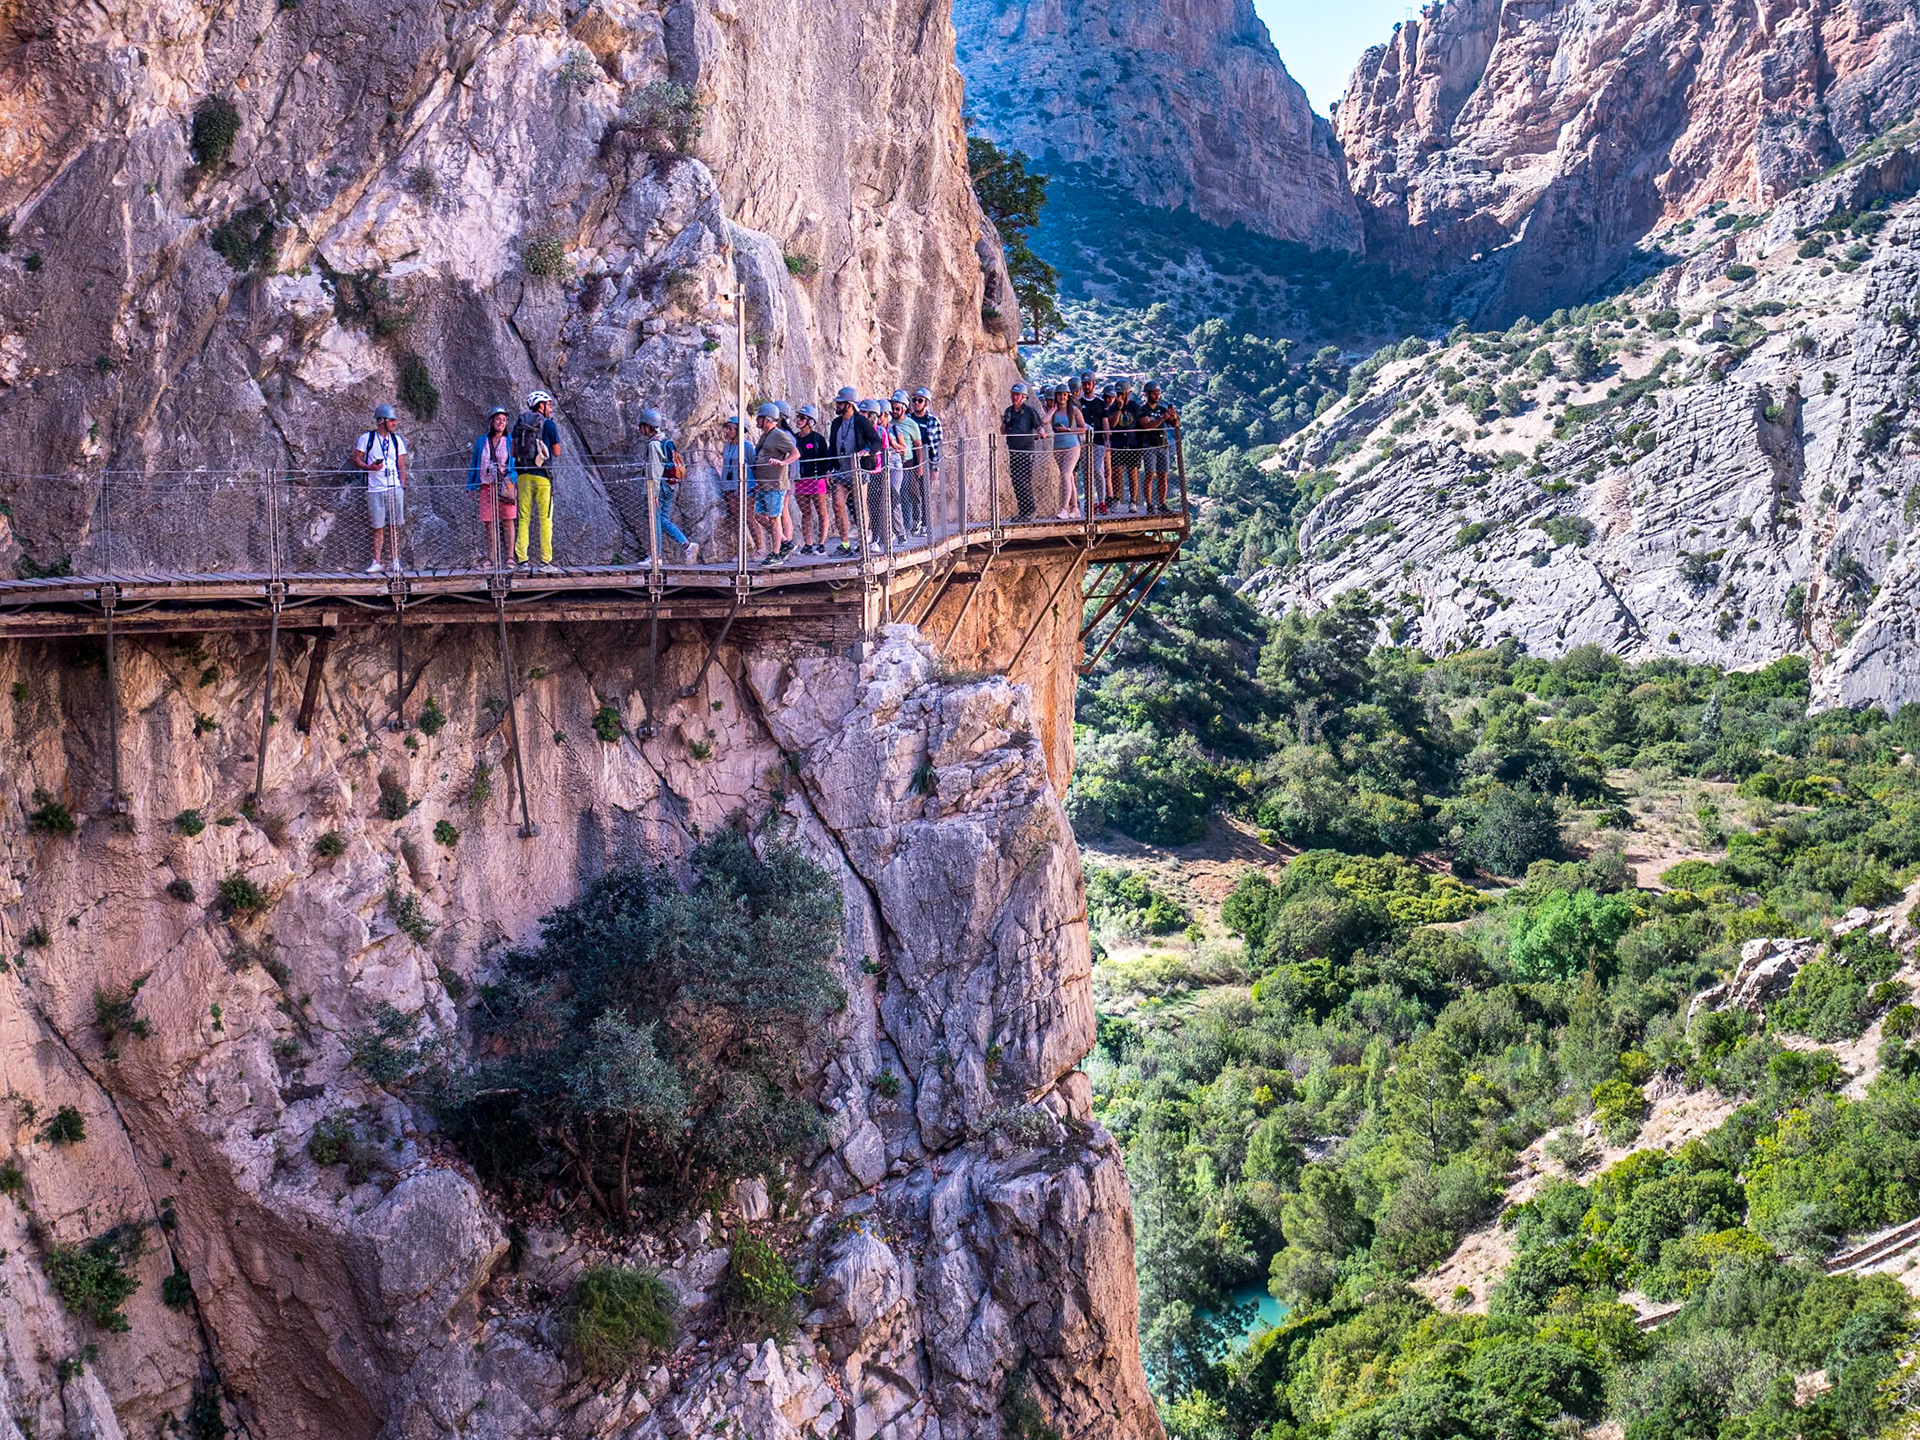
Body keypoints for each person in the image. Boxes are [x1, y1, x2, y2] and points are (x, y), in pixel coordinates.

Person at [355, 403, 409, 573]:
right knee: (378, 525)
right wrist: (369, 467)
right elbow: (356, 459)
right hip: (375, 488)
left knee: (394, 525)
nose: (395, 423)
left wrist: (402, 485)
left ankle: (395, 560)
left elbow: (401, 465)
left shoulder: (396, 440)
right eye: (392, 420)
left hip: (394, 486)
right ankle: (377, 561)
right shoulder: (367, 438)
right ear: (382, 421)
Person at [637, 408, 696, 564]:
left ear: (648, 426)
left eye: (642, 425)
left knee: (655, 520)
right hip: (670, 486)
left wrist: (653, 494)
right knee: (662, 519)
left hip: (659, 488)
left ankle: (656, 558)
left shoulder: (653, 445)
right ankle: (687, 545)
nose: (640, 429)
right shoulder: (665, 441)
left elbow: (655, 471)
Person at [512, 389, 562, 572]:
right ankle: (545, 562)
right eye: (548, 404)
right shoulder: (549, 425)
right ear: (540, 405)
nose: (550, 407)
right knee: (545, 518)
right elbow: (556, 452)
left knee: (524, 518)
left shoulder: (520, 423)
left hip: (523, 476)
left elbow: (512, 451)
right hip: (542, 477)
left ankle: (522, 561)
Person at [828, 388, 881, 556]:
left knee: (860, 506)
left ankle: (863, 540)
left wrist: (866, 450)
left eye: (840, 403)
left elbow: (876, 441)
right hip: (841, 470)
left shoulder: (861, 421)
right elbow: (831, 446)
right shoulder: (836, 423)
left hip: (859, 470)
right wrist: (829, 468)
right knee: (837, 503)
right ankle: (844, 544)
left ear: (849, 405)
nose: (837, 405)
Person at [466, 406, 517, 568]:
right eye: (498, 419)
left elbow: (516, 462)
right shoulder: (482, 441)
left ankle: (510, 557)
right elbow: (475, 462)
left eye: (504, 420)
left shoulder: (510, 440)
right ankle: (492, 558)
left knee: (508, 520)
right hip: (486, 485)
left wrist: (512, 478)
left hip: (505, 485)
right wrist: (471, 485)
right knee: (489, 522)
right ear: (492, 421)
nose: (501, 422)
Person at [751, 402, 799, 562]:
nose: (756, 420)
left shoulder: (779, 435)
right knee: (759, 516)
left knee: (774, 518)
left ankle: (775, 553)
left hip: (775, 485)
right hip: (764, 484)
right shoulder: (765, 435)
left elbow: (795, 453)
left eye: (759, 418)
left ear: (767, 419)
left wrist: (783, 463)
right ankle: (785, 542)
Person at [791, 404, 832, 555]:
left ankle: (821, 543)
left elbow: (826, 457)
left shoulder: (818, 439)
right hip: (801, 480)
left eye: (802, 418)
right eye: (798, 417)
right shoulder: (794, 439)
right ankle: (808, 543)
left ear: (810, 421)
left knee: (821, 511)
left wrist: (827, 472)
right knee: (805, 512)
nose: (798, 420)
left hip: (816, 479)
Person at [1001, 380, 1044, 521]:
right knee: (1015, 481)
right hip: (1013, 450)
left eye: (1018, 395)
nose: (1015, 398)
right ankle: (1023, 512)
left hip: (1026, 451)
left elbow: (1038, 426)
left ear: (1024, 397)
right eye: (1013, 395)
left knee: (1023, 479)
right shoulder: (1008, 411)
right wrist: (1003, 422)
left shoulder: (1030, 412)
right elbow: (1003, 432)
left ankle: (1030, 510)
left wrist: (1041, 432)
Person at [1136, 381, 1179, 512]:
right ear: (1147, 394)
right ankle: (1149, 504)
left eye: (1158, 393)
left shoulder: (1162, 409)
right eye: (1154, 393)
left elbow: (1175, 424)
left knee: (1163, 475)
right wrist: (1162, 418)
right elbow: (1147, 426)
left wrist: (1173, 415)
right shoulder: (1142, 410)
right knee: (1150, 474)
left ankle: (1162, 504)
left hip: (1162, 445)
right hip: (1149, 446)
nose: (1157, 396)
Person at [720, 415, 756, 560]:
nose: (727, 431)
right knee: (736, 519)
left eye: (730, 429)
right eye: (727, 428)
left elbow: (754, 465)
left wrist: (752, 484)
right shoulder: (727, 446)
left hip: (744, 487)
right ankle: (740, 550)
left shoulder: (746, 446)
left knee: (749, 518)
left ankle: (759, 548)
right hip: (729, 486)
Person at [860, 399, 894, 552]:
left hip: (877, 471)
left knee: (875, 506)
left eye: (864, 413)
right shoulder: (859, 430)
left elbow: (885, 451)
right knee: (861, 505)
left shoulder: (880, 431)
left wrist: (886, 471)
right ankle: (865, 534)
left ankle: (877, 538)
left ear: (872, 415)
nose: (860, 415)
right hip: (861, 471)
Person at [887, 391, 922, 540]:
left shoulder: (911, 424)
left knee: (910, 492)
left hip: (907, 462)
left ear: (904, 409)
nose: (894, 412)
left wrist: (919, 465)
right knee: (898, 495)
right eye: (892, 409)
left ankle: (914, 520)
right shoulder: (889, 424)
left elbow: (918, 445)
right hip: (892, 463)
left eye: (897, 409)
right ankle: (903, 527)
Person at [1047, 384, 1085, 518]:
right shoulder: (1055, 411)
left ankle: (1064, 508)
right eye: (1059, 394)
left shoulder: (1074, 410)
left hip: (1072, 446)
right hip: (1058, 447)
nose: (1062, 397)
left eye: (1064, 394)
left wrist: (1068, 430)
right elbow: (1045, 421)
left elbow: (1083, 428)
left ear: (1068, 396)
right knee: (1068, 477)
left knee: (1065, 475)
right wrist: (1052, 410)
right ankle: (1075, 508)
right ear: (1056, 396)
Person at [908, 387, 942, 534]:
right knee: (912, 491)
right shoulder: (908, 419)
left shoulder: (933, 421)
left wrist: (936, 468)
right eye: (914, 400)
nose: (916, 403)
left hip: (927, 461)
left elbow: (938, 446)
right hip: (910, 461)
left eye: (920, 400)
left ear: (926, 403)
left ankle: (926, 524)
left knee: (925, 492)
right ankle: (916, 520)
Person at [1077, 373, 1110, 514]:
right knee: (1086, 473)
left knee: (1098, 470)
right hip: (1083, 442)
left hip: (1098, 441)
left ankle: (1102, 502)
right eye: (1084, 383)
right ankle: (1089, 503)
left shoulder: (1101, 403)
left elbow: (1105, 423)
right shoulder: (1078, 403)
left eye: (1089, 383)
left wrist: (1107, 440)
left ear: (1094, 384)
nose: (1087, 386)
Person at [1108, 379, 1141, 511]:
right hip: (1118, 443)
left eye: (1122, 393)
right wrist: (1118, 409)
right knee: (1117, 473)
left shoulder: (1135, 406)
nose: (1119, 396)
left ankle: (1133, 501)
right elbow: (1112, 424)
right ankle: (1116, 499)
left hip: (1133, 444)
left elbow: (1141, 423)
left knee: (1132, 474)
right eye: (1118, 393)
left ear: (1128, 393)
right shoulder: (1112, 407)